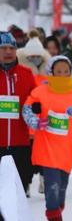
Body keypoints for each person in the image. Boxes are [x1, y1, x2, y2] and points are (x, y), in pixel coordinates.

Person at [22, 56, 72, 221]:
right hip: (47, 147)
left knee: (62, 185)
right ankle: (52, 213)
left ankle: (58, 206)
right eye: (58, 72)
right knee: (52, 183)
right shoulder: (41, 92)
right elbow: (27, 108)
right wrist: (35, 122)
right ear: (51, 73)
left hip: (67, 149)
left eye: (66, 71)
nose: (62, 75)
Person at [0, 32, 37, 193]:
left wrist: (36, 107)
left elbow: (36, 99)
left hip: (20, 141)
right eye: (3, 48)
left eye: (12, 48)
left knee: (19, 189)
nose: (8, 52)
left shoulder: (26, 74)